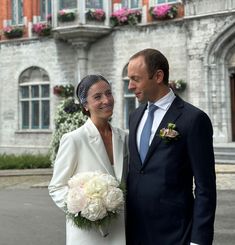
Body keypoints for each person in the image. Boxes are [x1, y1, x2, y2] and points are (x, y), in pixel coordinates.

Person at [126, 49, 216, 245]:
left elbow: (205, 188)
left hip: (176, 235)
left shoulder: (193, 119)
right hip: (134, 233)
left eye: (135, 79)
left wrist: (199, 240)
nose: (130, 86)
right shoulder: (134, 117)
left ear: (158, 76)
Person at [48, 74, 128, 245]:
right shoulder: (74, 139)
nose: (106, 100)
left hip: (124, 231)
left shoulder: (124, 137)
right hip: (89, 235)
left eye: (109, 93)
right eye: (97, 97)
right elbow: (56, 187)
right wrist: (84, 207)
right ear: (85, 105)